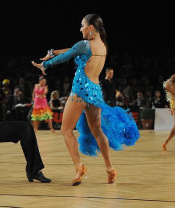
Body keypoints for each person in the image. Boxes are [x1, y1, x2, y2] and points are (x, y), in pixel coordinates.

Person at [32, 14, 139, 185]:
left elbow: (66, 57)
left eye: (82, 25)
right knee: (97, 131)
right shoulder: (103, 46)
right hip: (95, 92)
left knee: (66, 130)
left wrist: (45, 64)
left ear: (90, 27)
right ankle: (110, 168)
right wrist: (51, 52)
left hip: (80, 92)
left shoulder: (85, 45)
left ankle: (79, 166)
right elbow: (72, 50)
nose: (80, 29)